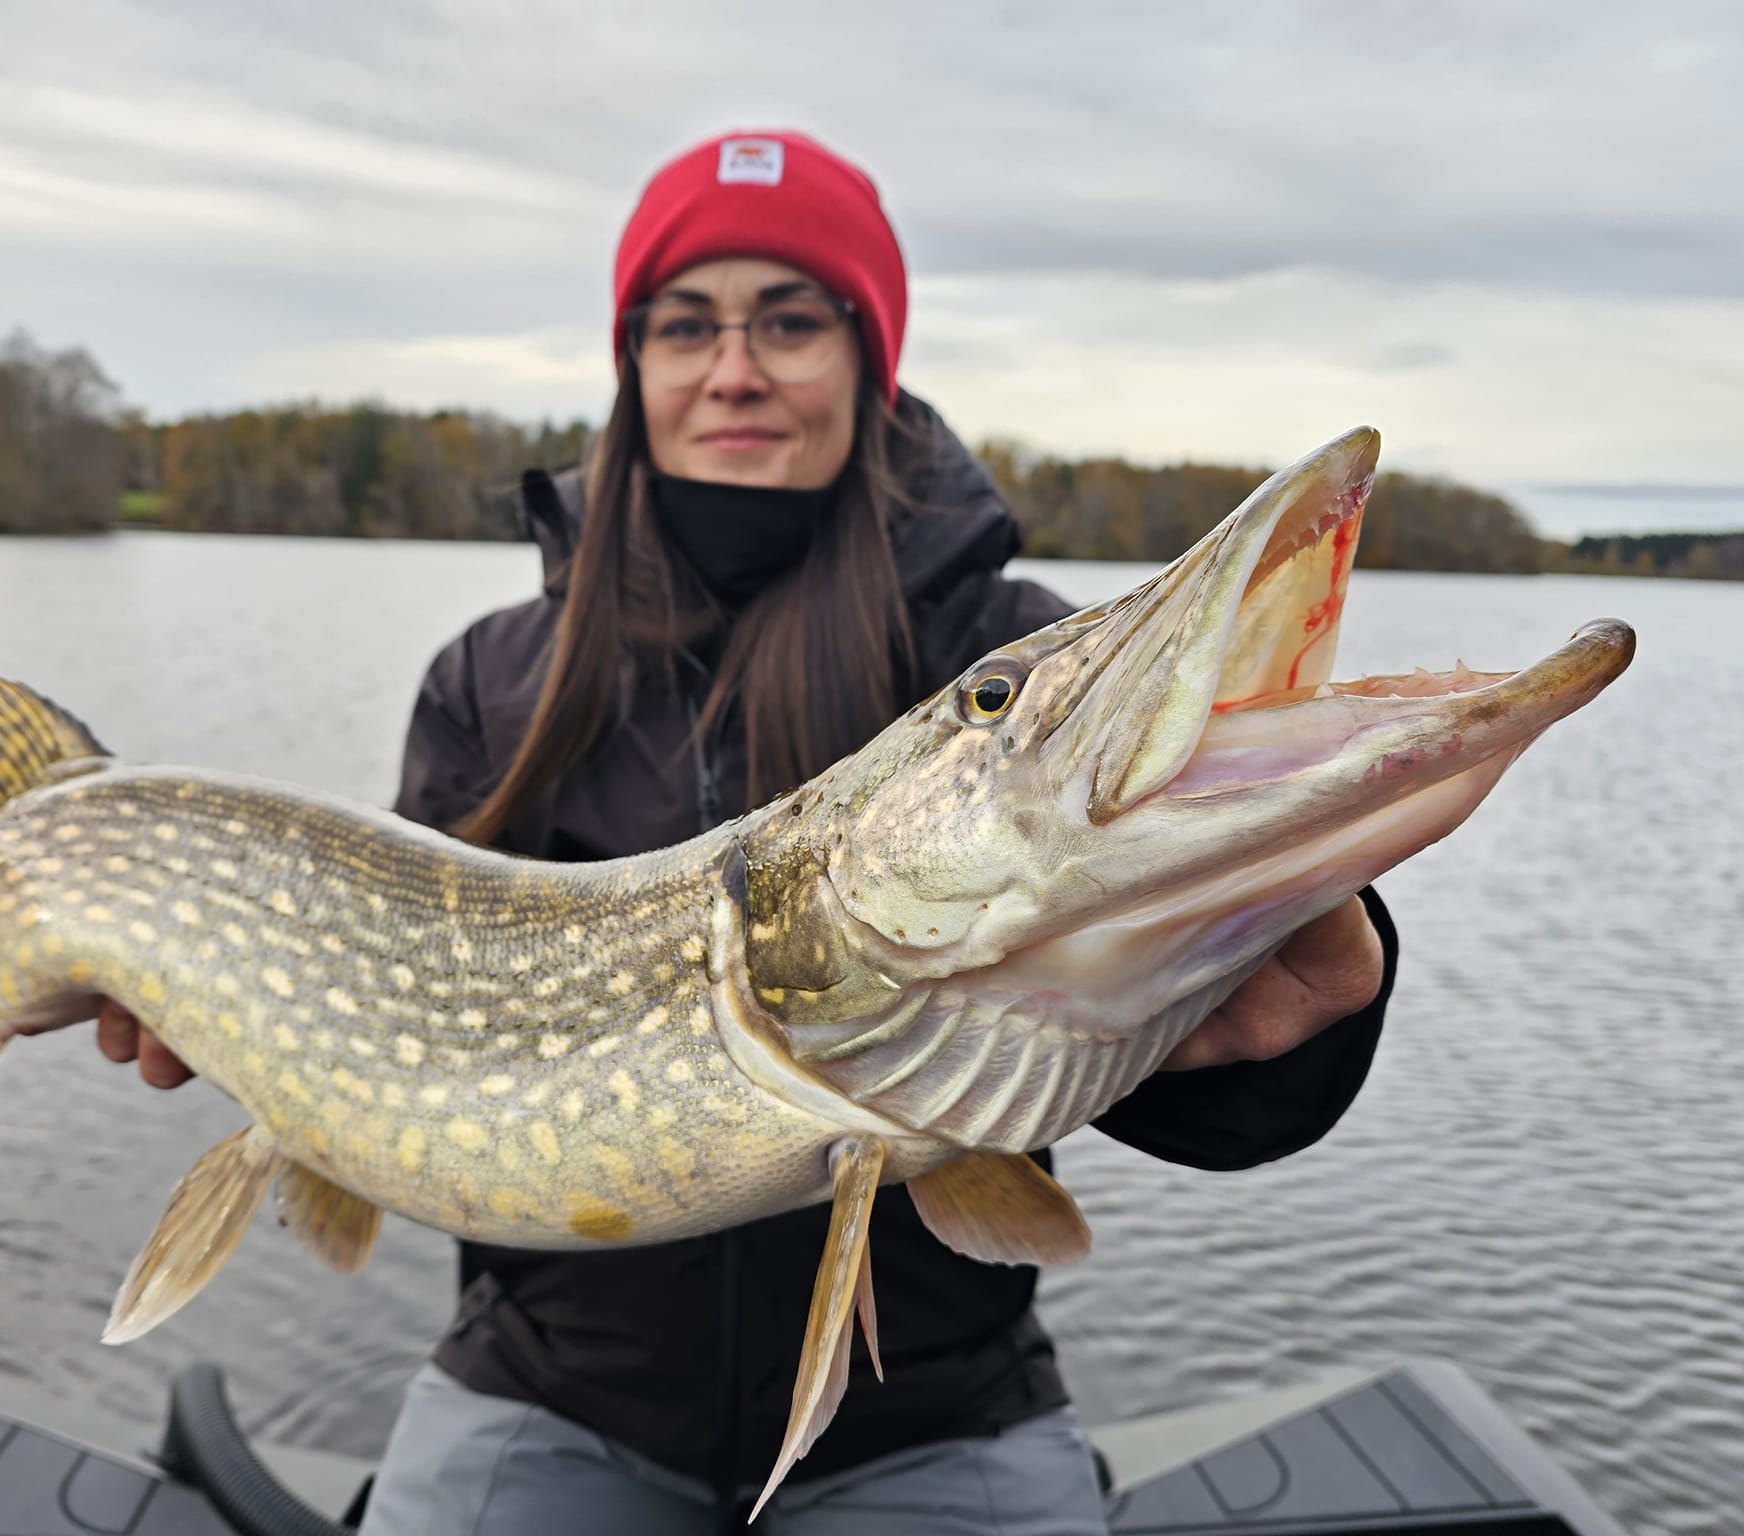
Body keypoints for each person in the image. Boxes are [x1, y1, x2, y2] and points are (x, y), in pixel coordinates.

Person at [93, 130, 1396, 1535]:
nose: (734, 368)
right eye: (687, 325)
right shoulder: (494, 680)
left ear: (868, 360)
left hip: (939, 1407)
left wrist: (1306, 993)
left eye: (789, 320)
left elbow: (1207, 1084)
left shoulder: (1002, 652)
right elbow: (367, 991)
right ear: (634, 365)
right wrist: (245, 1022)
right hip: (549, 1393)